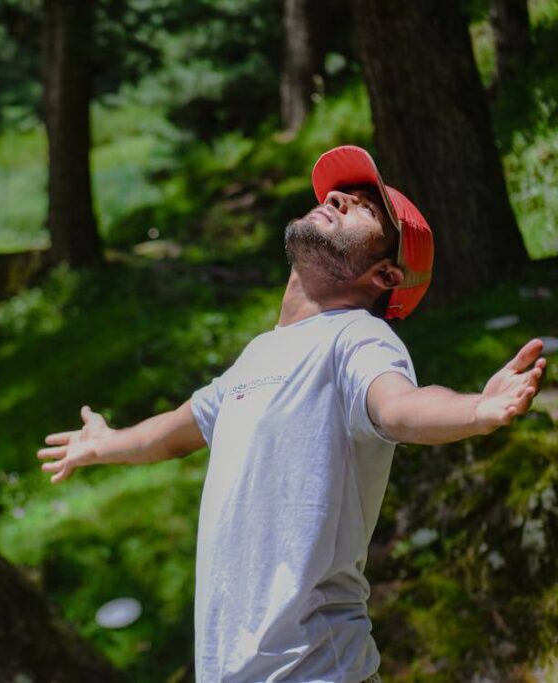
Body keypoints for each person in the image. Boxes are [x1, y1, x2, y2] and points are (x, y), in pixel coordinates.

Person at [36, 145, 548, 683]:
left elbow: (398, 407)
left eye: (364, 209)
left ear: (385, 275)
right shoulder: (257, 356)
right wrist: (104, 443)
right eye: (340, 194)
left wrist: (476, 410)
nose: (337, 198)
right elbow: (174, 433)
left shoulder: (358, 337)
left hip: (316, 670)